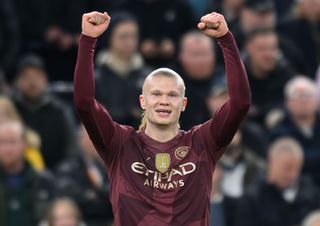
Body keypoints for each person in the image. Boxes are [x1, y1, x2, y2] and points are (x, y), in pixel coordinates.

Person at [74, 11, 251, 225]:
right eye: (156, 94)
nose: (164, 101)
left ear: (183, 104)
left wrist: (226, 39)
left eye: (173, 95)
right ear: (142, 101)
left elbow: (240, 103)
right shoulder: (120, 143)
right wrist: (88, 40)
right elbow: (84, 102)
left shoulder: (203, 142)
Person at [235, 137, 320, 226]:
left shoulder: (312, 193)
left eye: (297, 169)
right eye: (287, 168)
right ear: (272, 162)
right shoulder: (252, 199)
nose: (292, 174)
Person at [0, 120, 55, 226]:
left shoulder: (44, 180)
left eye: (12, 141)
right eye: (2, 142)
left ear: (25, 143)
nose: (8, 148)